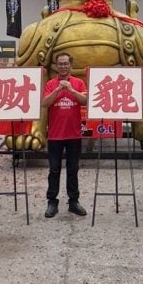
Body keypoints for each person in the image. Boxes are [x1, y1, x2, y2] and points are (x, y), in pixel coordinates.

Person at [43, 52, 88, 218]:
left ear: (70, 65)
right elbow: (44, 103)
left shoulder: (78, 82)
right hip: (55, 134)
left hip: (74, 134)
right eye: (59, 64)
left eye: (65, 63)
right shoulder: (50, 84)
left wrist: (70, 89)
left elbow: (85, 101)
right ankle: (52, 201)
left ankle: (73, 201)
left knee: (73, 169)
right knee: (54, 170)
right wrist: (57, 89)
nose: (62, 66)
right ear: (56, 66)